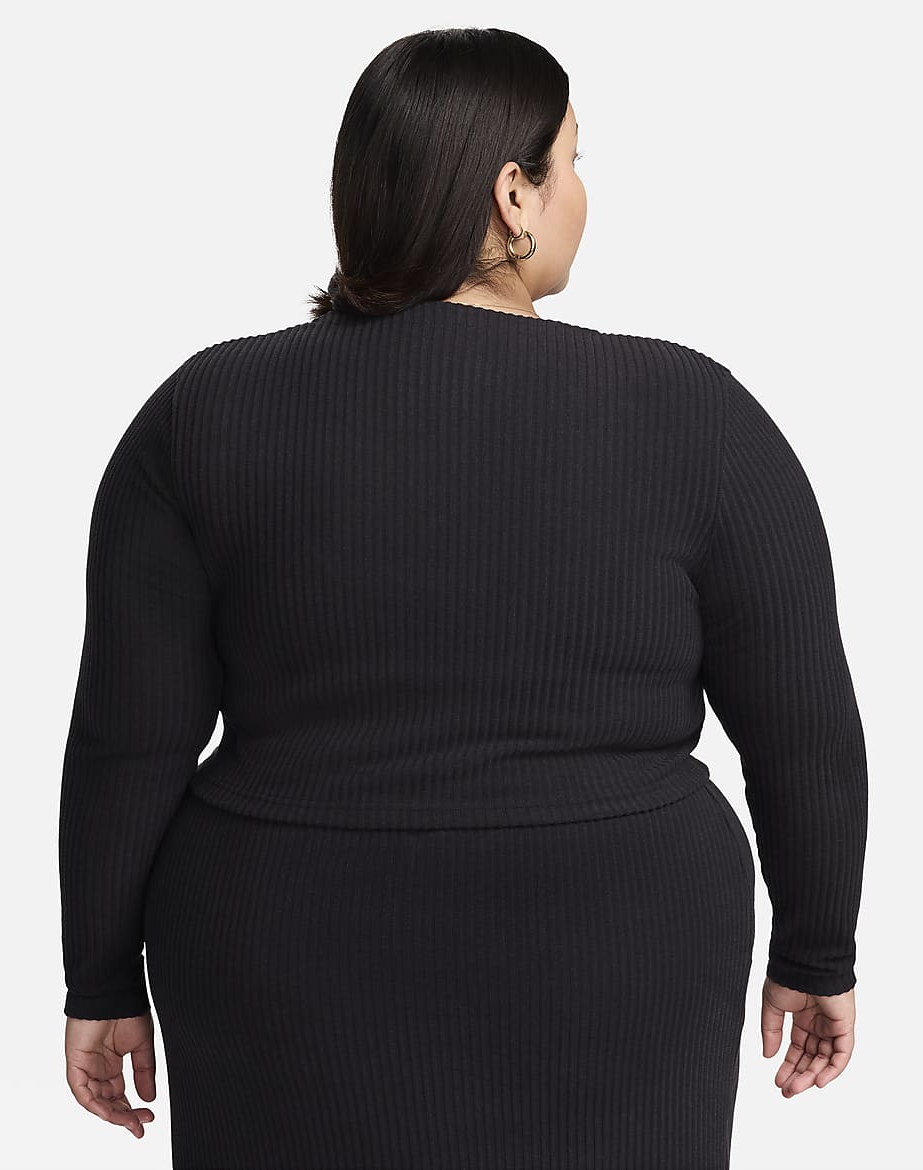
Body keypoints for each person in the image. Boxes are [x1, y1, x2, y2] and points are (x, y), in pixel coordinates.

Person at [59, 26, 868, 1170]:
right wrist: (817, 948)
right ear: (512, 195)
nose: (582, 195)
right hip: (615, 959)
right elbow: (805, 725)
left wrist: (100, 976)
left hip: (281, 956)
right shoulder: (694, 414)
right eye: (574, 163)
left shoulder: (204, 413)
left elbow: (128, 739)